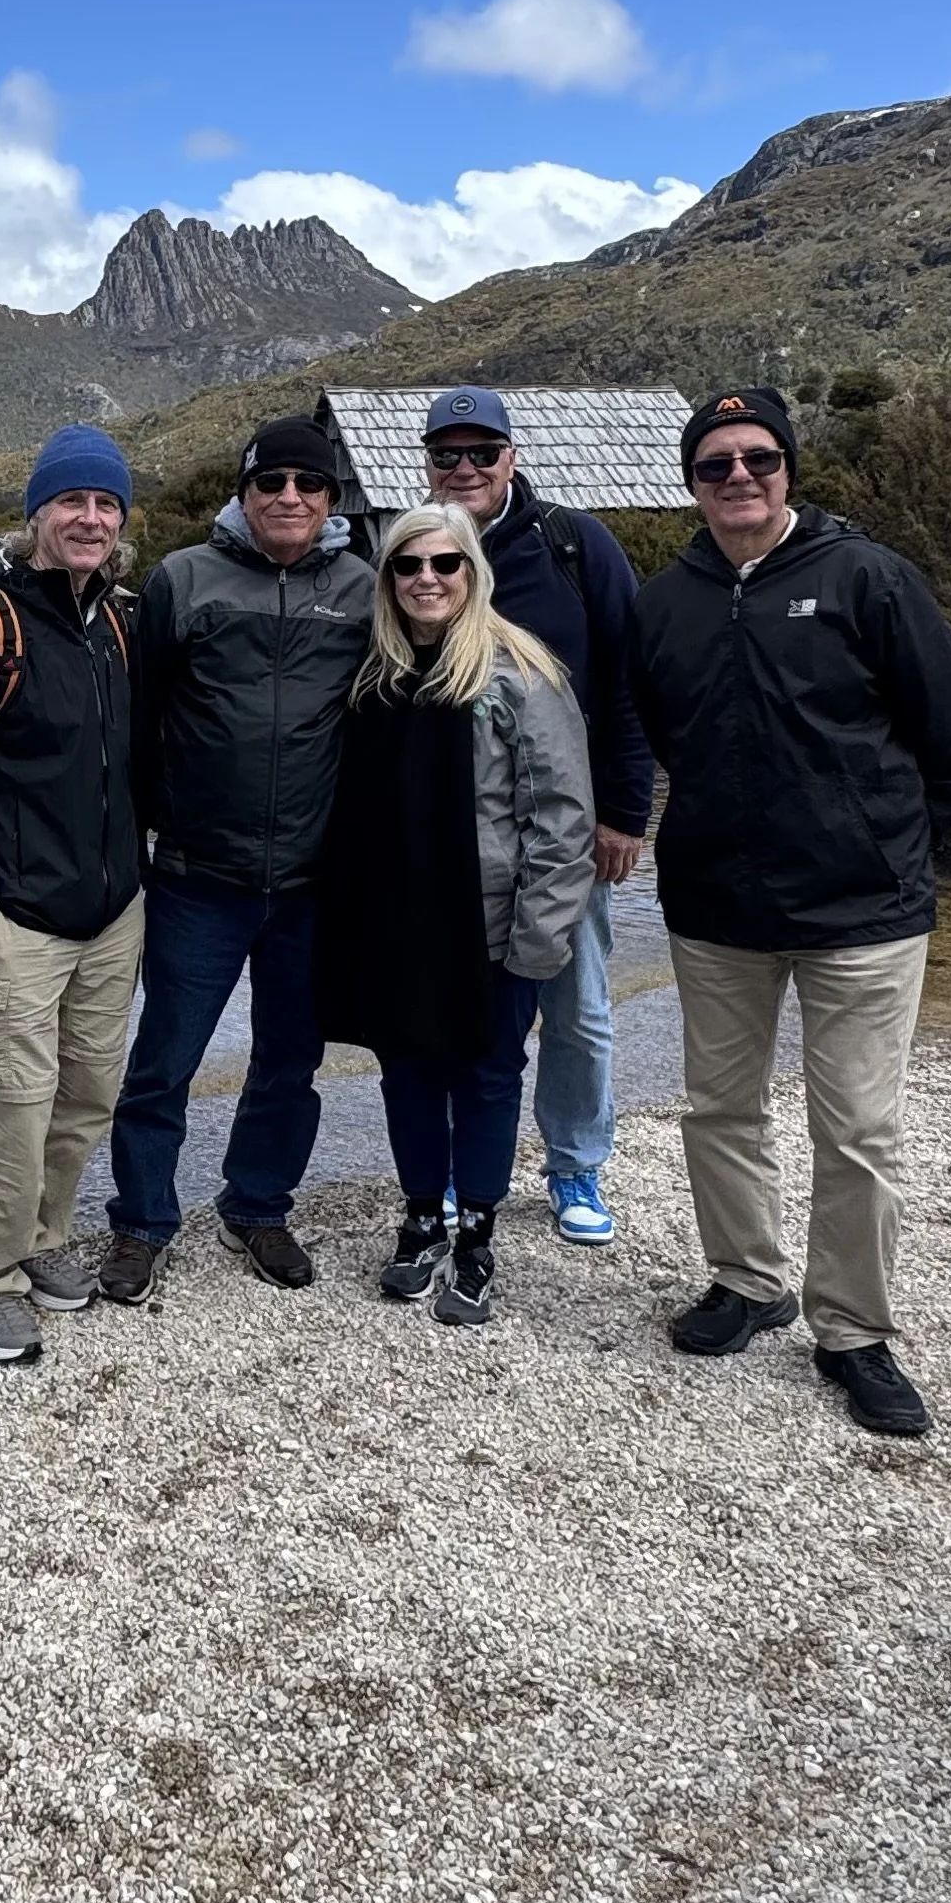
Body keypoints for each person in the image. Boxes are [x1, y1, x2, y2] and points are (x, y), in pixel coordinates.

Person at [630, 387, 951, 1439]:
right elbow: (658, 735)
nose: (738, 478)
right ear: (690, 483)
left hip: (865, 913)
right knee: (718, 1109)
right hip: (714, 908)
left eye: (758, 459)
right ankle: (747, 1281)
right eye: (715, 466)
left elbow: (950, 731)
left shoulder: (866, 576)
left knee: (859, 1131)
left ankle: (853, 1331)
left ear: (789, 467)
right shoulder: (665, 601)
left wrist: (894, 846)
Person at [99, 415, 373, 1305]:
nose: (289, 497)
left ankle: (257, 1204)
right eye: (271, 483)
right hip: (194, 878)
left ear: (332, 497)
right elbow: (139, 723)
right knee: (162, 1063)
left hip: (312, 883)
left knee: (289, 1063)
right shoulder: (184, 579)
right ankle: (142, 1223)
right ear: (244, 492)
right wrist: (135, 845)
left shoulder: (365, 588)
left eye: (308, 483)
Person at [313, 503, 595, 1326]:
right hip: (396, 918)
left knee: (485, 1077)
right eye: (408, 566)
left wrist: (539, 938)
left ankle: (476, 1232)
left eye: (445, 564)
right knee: (405, 1072)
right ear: (388, 577)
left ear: (473, 571)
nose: (426, 579)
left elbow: (562, 815)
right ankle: (420, 1217)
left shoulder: (517, 673)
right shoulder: (378, 673)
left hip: (489, 924)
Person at [0, 425, 143, 1369]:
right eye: (72, 501)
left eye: (106, 504)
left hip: (110, 911)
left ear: (121, 521)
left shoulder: (119, 620)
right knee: (9, 1101)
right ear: (37, 513)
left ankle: (42, 1241)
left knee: (86, 1093)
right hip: (14, 918)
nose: (89, 518)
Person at [419, 387, 653, 1248]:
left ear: (513, 457)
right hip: (455, 841)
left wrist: (625, 810)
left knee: (578, 1004)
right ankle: (454, 1161)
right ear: (428, 463)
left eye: (484, 451)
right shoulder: (421, 553)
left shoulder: (572, 544)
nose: (467, 468)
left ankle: (574, 1161)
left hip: (566, 831)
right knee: (453, 1003)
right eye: (450, 454)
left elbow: (628, 679)